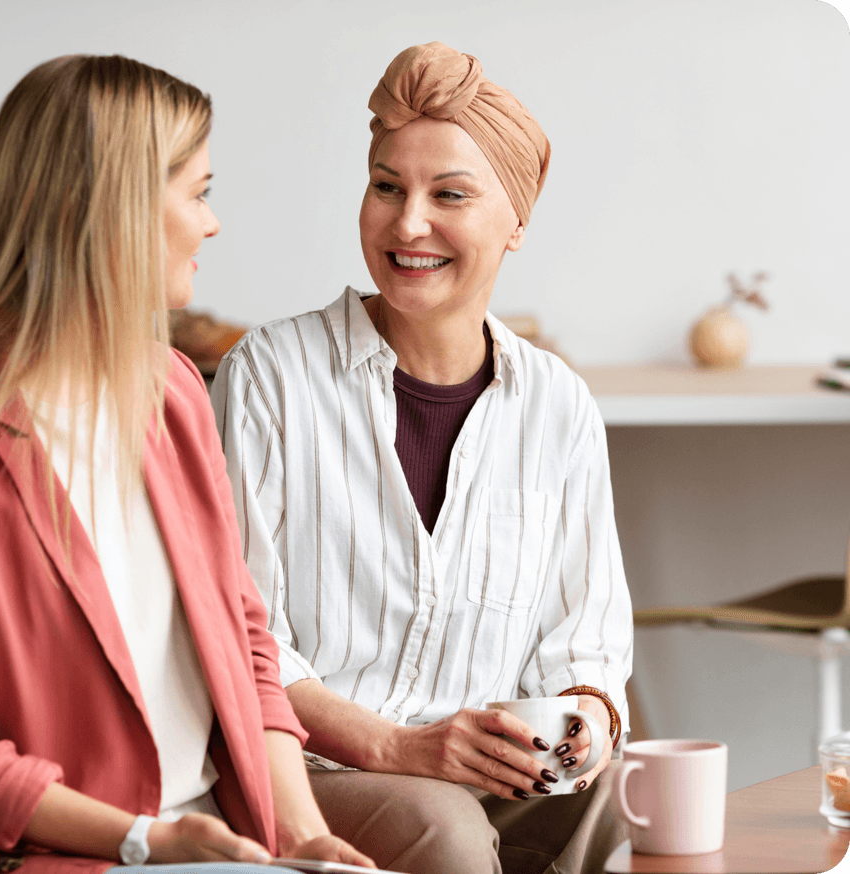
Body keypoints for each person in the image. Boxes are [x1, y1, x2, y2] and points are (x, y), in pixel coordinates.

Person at [0, 55, 374, 874]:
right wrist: (146, 841)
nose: (212, 223)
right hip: (59, 852)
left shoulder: (169, 389)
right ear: (115, 210)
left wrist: (304, 837)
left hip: (216, 829)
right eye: (198, 192)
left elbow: (243, 636)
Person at [210, 42, 633, 874]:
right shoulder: (272, 374)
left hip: (486, 766)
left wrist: (585, 715)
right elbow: (239, 630)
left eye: (450, 195)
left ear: (516, 221)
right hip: (314, 768)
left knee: (629, 802)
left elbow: (584, 633)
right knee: (441, 826)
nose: (407, 224)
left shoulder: (558, 405)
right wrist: (401, 747)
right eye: (386, 187)